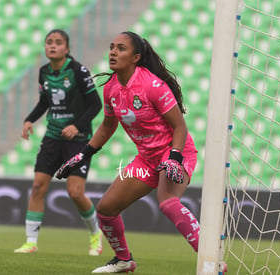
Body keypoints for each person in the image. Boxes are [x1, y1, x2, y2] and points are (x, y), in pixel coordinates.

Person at [56, 31, 200, 273]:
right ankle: (124, 260)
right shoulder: (111, 88)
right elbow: (107, 127)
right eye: (112, 47)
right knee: (106, 209)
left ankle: (210, 257)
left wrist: (174, 157)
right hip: (147, 159)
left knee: (167, 202)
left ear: (136, 57)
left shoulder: (153, 86)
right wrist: (82, 155)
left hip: (175, 151)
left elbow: (180, 127)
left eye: (121, 48)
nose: (113, 52)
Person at [14, 29, 103, 256]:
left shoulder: (78, 71)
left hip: (78, 140)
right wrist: (28, 120)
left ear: (67, 49)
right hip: (53, 136)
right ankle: (31, 242)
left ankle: (95, 234)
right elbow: (45, 102)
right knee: (37, 187)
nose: (52, 46)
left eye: (58, 43)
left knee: (74, 192)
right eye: (49, 42)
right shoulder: (44, 72)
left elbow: (95, 104)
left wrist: (77, 126)